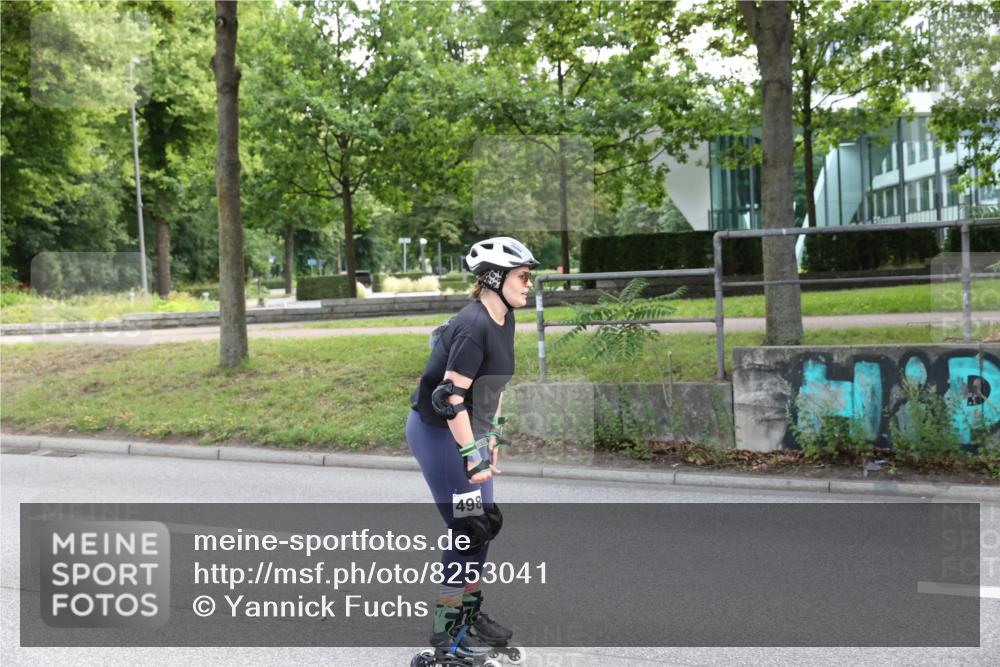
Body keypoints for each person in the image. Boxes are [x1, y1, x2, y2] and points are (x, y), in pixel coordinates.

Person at [407, 237, 538, 665]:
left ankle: (468, 612)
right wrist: (473, 453)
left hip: (469, 432)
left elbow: (492, 385)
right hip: (440, 433)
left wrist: (492, 438)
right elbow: (449, 398)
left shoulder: (506, 319)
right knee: (469, 530)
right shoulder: (473, 325)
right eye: (523, 276)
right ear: (494, 278)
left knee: (485, 525)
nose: (529, 284)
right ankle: (447, 634)